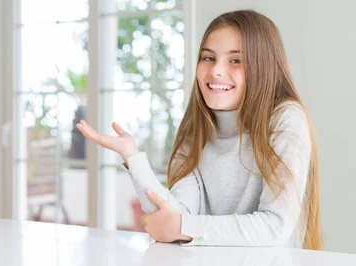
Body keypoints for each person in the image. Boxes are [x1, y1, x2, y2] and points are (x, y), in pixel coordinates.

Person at [76, 10, 321, 250]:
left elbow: (275, 227)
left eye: (236, 60)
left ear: (263, 66)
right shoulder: (198, 129)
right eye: (208, 58)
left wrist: (185, 227)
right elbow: (170, 219)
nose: (216, 70)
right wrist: (132, 156)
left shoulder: (285, 119)